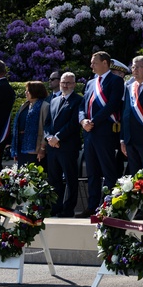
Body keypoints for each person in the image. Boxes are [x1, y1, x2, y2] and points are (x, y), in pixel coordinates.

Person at [78, 51, 125, 215]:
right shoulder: (90, 83)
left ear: (105, 63)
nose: (91, 66)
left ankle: (109, 205)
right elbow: (82, 106)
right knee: (92, 172)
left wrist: (94, 121)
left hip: (104, 132)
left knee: (108, 170)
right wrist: (83, 120)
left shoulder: (116, 81)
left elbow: (112, 105)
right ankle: (92, 206)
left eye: (94, 62)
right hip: (89, 132)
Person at [45, 72, 83, 217]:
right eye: (63, 82)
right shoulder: (54, 100)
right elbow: (47, 122)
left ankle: (68, 209)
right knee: (54, 179)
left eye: (68, 83)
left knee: (70, 178)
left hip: (67, 146)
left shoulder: (78, 100)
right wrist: (49, 137)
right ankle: (56, 207)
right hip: (53, 147)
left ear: (74, 84)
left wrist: (58, 137)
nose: (65, 85)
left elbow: (73, 123)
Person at [13, 81, 50, 166]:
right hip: (21, 145)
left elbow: (46, 129)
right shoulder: (25, 105)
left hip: (35, 148)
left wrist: (42, 148)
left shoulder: (45, 106)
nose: (26, 93)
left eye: (28, 91)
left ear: (35, 92)